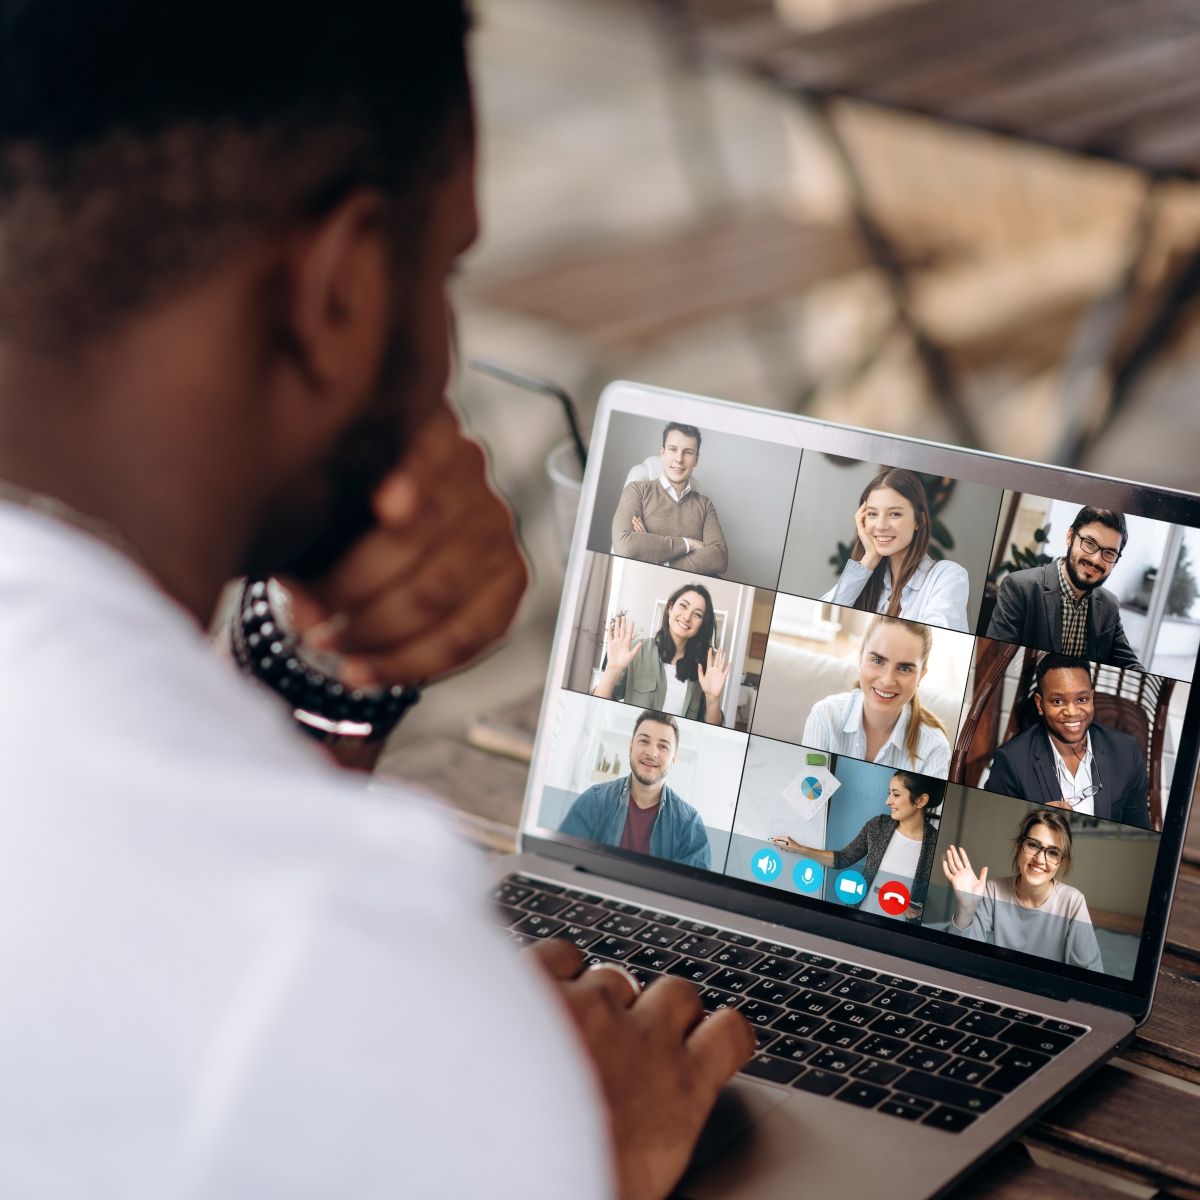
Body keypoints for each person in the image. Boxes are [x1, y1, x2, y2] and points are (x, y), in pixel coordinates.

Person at [0, 5, 752, 1199]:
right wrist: (562, 1149)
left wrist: (309, 685)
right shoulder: (331, 962)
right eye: (443, 264)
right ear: (340, 290)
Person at [985, 654, 1152, 829]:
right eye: (1058, 701)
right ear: (1040, 705)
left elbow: (1139, 827)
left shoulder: (1126, 751)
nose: (1072, 712)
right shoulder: (1011, 761)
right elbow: (995, 826)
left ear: (1092, 698)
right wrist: (1036, 817)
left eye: (1082, 699)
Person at [941, 810, 1104, 972]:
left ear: (1061, 862)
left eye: (1053, 853)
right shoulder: (993, 891)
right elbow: (960, 958)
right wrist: (966, 910)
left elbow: (1092, 974)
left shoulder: (1073, 901)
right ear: (1020, 846)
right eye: (1033, 845)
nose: (1040, 859)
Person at [771, 772, 943, 920]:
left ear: (921, 800)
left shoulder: (936, 846)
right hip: (861, 919)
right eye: (889, 793)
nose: (887, 801)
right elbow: (842, 859)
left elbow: (941, 905)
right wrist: (799, 848)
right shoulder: (878, 825)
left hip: (900, 937)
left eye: (896, 795)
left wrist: (921, 912)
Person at [986, 505, 1143, 669]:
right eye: (1089, 543)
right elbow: (995, 661)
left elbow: (1129, 663)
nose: (1096, 560)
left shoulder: (1109, 605)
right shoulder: (1019, 588)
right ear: (1070, 536)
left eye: (1109, 553)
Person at [822, 467, 970, 632]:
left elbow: (934, 640)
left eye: (894, 514)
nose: (881, 526)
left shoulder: (949, 576)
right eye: (872, 514)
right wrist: (869, 559)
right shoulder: (871, 577)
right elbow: (828, 616)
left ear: (919, 521)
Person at [802, 614, 952, 776]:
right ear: (860, 658)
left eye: (904, 668)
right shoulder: (825, 717)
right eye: (878, 661)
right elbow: (809, 794)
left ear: (921, 675)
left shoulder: (934, 748)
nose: (887, 681)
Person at [560, 711, 712, 869]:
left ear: (674, 759)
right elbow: (562, 862)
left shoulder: (690, 824)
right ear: (630, 746)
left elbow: (688, 890)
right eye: (644, 741)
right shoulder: (594, 800)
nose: (651, 753)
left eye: (663, 746)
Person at [592, 581, 730, 725]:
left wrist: (713, 700)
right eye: (683, 606)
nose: (687, 617)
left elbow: (711, 729)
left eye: (697, 614)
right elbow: (598, 707)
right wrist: (612, 669)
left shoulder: (704, 670)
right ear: (670, 608)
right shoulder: (636, 651)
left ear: (702, 625)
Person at [611, 422, 728, 575]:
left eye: (688, 452)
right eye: (673, 450)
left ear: (696, 459)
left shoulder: (705, 504)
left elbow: (719, 559)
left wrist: (653, 552)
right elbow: (625, 546)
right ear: (662, 454)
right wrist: (688, 544)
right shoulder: (637, 490)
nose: (679, 459)